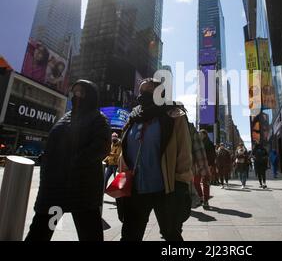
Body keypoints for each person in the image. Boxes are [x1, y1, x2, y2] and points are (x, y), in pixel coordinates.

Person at [25, 80, 111, 241]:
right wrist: (47, 157)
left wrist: (73, 163)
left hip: (81, 188)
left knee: (89, 233)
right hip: (53, 188)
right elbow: (56, 142)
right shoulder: (66, 117)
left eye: (81, 92)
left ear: (91, 96)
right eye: (74, 91)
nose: (76, 95)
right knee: (40, 231)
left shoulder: (98, 118)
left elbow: (101, 148)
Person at [118, 78, 193, 241]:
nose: (143, 94)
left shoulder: (174, 114)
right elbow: (125, 151)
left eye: (149, 90)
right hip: (136, 189)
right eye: (141, 91)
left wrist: (181, 183)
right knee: (130, 235)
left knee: (171, 234)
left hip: (166, 189)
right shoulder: (133, 116)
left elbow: (184, 152)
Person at [188, 124, 211, 209]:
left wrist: (210, 165)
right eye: (199, 134)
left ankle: (206, 200)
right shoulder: (195, 141)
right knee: (196, 182)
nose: (200, 135)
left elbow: (212, 155)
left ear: (205, 135)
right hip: (197, 166)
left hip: (206, 165)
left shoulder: (209, 143)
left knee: (206, 183)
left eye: (201, 134)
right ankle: (201, 197)